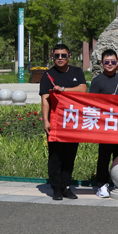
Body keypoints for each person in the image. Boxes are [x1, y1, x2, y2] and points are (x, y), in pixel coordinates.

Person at [40, 44, 87, 201]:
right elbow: (45, 99)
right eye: (57, 56)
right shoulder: (48, 75)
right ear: (52, 57)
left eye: (63, 55)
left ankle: (66, 186)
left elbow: (83, 89)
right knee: (55, 156)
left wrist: (64, 90)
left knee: (69, 156)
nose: (60, 58)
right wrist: (46, 121)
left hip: (72, 121)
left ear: (69, 56)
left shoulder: (77, 72)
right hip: (55, 121)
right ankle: (56, 188)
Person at [89, 49, 118, 199]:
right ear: (102, 63)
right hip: (105, 125)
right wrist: (107, 102)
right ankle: (102, 185)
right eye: (107, 62)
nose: (110, 64)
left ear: (117, 63)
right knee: (104, 156)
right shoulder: (97, 81)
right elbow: (91, 104)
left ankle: (117, 182)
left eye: (113, 62)